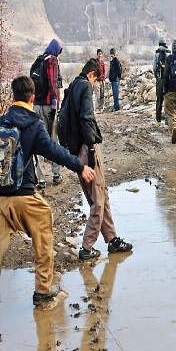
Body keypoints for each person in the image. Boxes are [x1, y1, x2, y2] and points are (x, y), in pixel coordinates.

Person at [0, 76, 95, 314]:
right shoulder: (34, 125)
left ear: (13, 96)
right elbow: (55, 151)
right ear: (32, 97)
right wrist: (80, 166)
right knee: (44, 232)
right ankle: (43, 289)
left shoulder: (1, 122)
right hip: (26, 198)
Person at [64, 58, 133, 260]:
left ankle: (112, 239)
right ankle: (87, 247)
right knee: (98, 199)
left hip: (78, 149)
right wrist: (93, 148)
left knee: (100, 193)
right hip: (88, 149)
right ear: (93, 74)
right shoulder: (85, 86)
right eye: (97, 78)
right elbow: (86, 118)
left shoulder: (73, 85)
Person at [34, 38, 64, 188]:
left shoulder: (40, 60)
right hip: (48, 107)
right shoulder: (52, 61)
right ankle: (56, 174)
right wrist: (54, 104)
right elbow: (53, 84)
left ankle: (41, 178)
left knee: (39, 140)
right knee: (53, 140)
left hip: (36, 106)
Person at [152, 36, 170, 126]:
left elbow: (154, 67)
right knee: (167, 100)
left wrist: (156, 77)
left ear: (159, 43)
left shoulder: (156, 53)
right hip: (168, 80)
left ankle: (158, 121)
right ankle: (167, 122)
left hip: (159, 79)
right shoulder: (169, 52)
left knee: (159, 100)